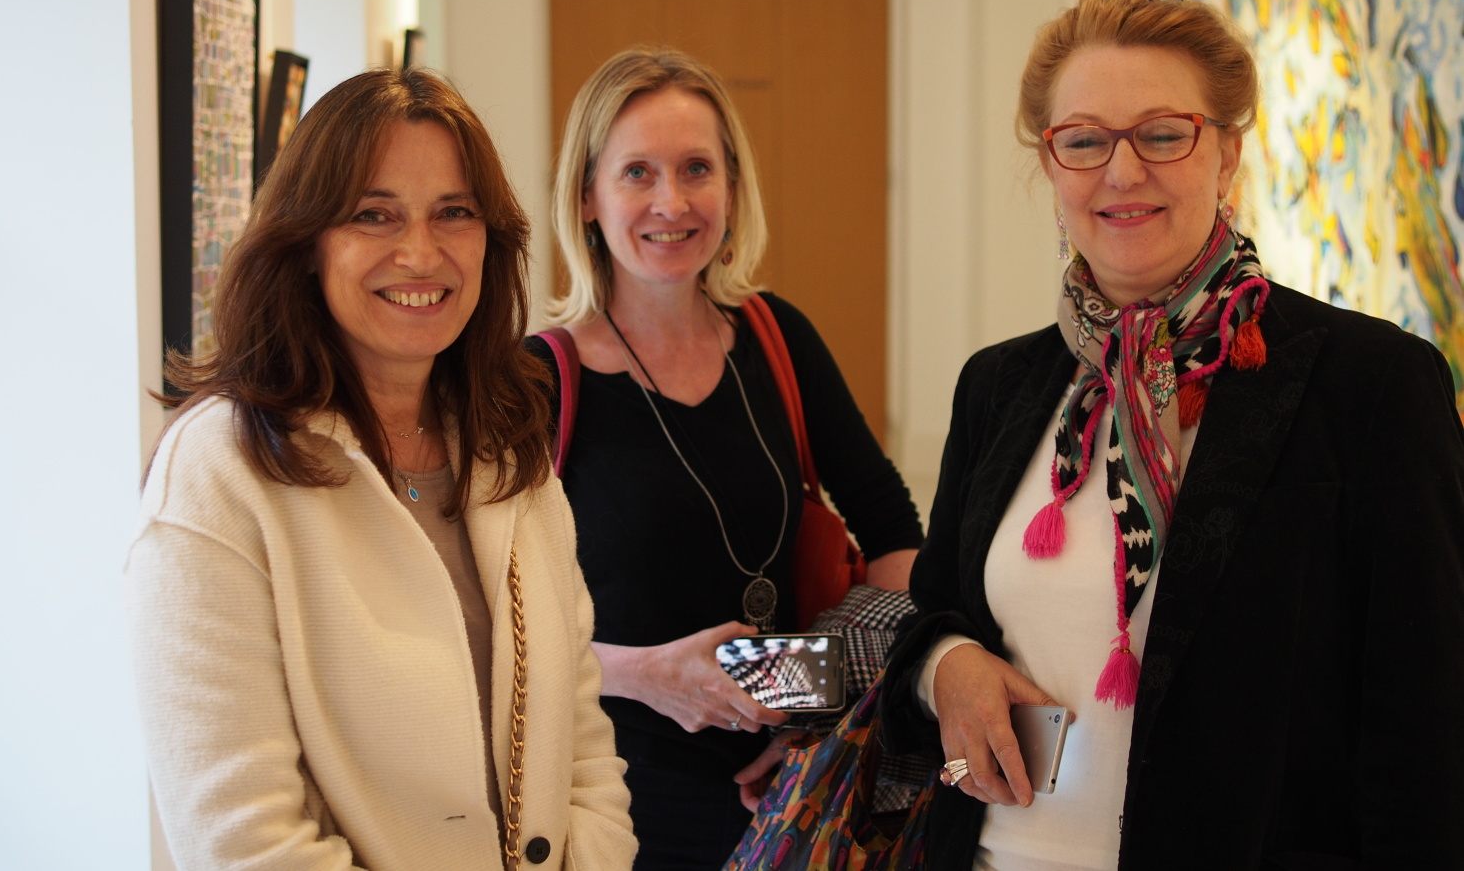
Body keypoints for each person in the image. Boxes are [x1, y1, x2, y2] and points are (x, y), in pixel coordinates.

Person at [880, 0, 1464, 868]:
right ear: (1051, 164)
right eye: (1085, 140)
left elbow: (1426, 720)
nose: (1121, 172)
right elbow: (934, 612)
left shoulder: (1370, 384)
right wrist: (944, 663)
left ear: (1227, 154)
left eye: (1161, 134)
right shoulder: (999, 385)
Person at [126, 69, 637, 871]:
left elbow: (583, 750)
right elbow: (244, 841)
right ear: (307, 243)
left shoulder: (507, 444)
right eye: (374, 214)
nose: (421, 252)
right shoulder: (219, 471)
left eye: (454, 212)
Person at [530, 46, 924, 868]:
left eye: (696, 169)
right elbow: (484, 629)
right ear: (588, 197)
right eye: (637, 172)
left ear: (733, 189)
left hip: (791, 793)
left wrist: (815, 709)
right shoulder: (537, 380)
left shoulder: (777, 336)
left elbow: (893, 532)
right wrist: (648, 673)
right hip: (612, 802)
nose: (671, 202)